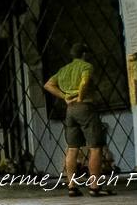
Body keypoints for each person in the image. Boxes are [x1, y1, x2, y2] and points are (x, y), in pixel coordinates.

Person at [44, 42, 112, 197]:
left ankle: (72, 186)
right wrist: (80, 97)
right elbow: (84, 81)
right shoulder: (86, 66)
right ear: (84, 54)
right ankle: (94, 187)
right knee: (95, 147)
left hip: (70, 110)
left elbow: (48, 85)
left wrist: (65, 97)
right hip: (85, 107)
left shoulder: (64, 70)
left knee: (72, 148)